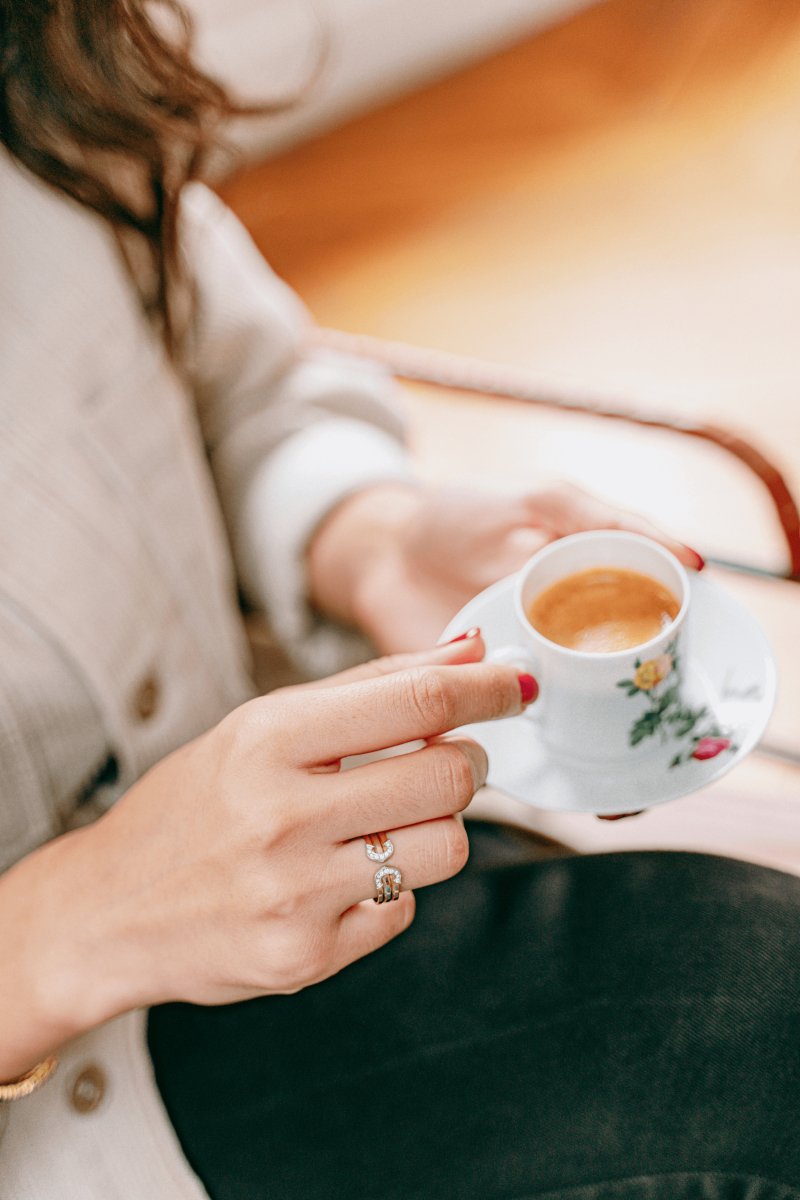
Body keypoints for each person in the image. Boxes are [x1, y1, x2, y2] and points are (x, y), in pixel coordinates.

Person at [1, 2, 799, 1197]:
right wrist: (64, 927)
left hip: (356, 873)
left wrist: (363, 533)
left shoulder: (37, 49)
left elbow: (235, 371)